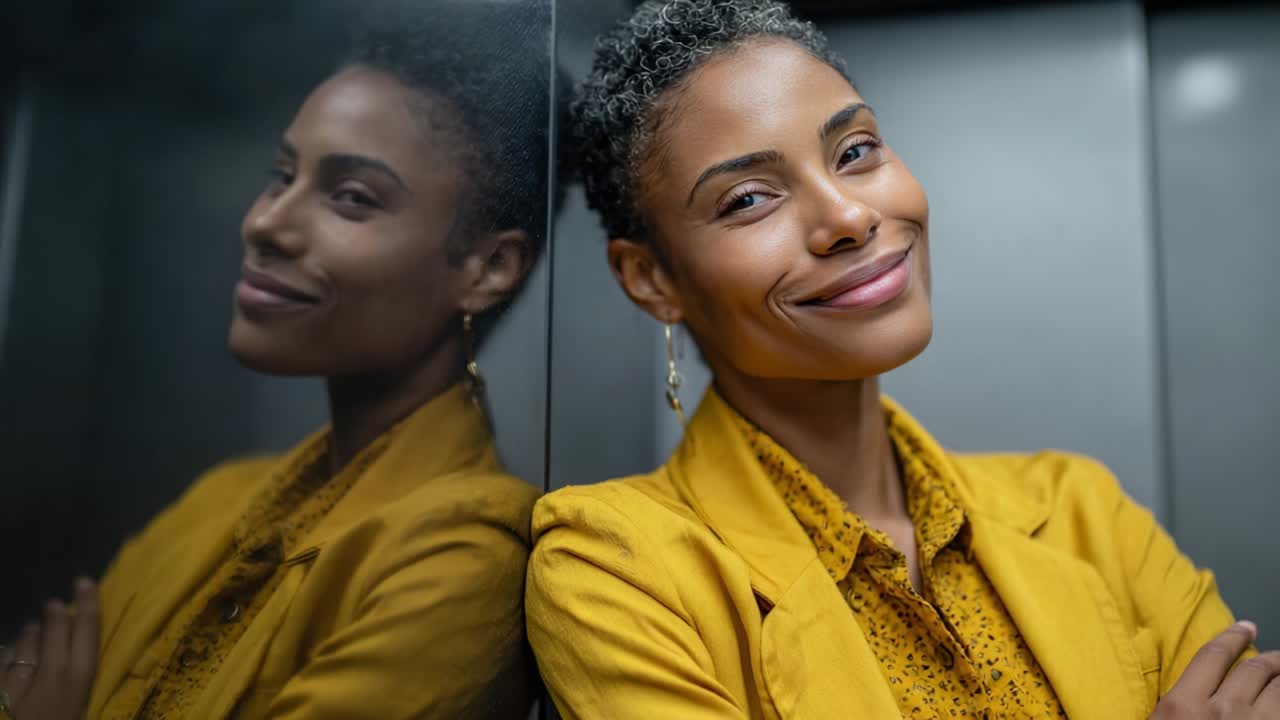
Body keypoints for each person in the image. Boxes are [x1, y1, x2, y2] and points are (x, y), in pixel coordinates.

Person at [525, 1, 1277, 718]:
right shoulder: (615, 569)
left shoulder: (1085, 511)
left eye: (855, 151)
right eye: (750, 198)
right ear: (651, 278)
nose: (850, 217)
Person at [0, 4, 551, 718]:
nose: (264, 222)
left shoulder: (466, 555)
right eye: (280, 175)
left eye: (352, 197)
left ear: (489, 267)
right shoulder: (220, 499)